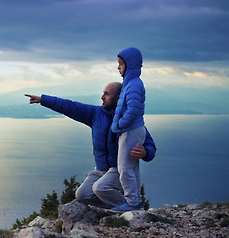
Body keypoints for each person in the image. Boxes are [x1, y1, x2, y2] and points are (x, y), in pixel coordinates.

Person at [25, 81, 156, 209]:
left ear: (118, 98)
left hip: (119, 169)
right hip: (100, 170)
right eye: (103, 93)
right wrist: (43, 100)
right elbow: (70, 107)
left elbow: (149, 144)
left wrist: (146, 152)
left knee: (100, 188)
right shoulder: (95, 114)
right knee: (82, 194)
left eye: (106, 94)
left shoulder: (129, 120)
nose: (102, 97)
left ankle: (132, 207)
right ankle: (118, 208)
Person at [111, 47, 146, 212]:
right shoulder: (131, 84)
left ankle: (131, 202)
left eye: (120, 64)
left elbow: (133, 109)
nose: (118, 68)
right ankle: (135, 201)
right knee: (131, 167)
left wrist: (120, 124)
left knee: (124, 167)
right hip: (133, 129)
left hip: (130, 130)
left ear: (130, 65)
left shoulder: (133, 85)